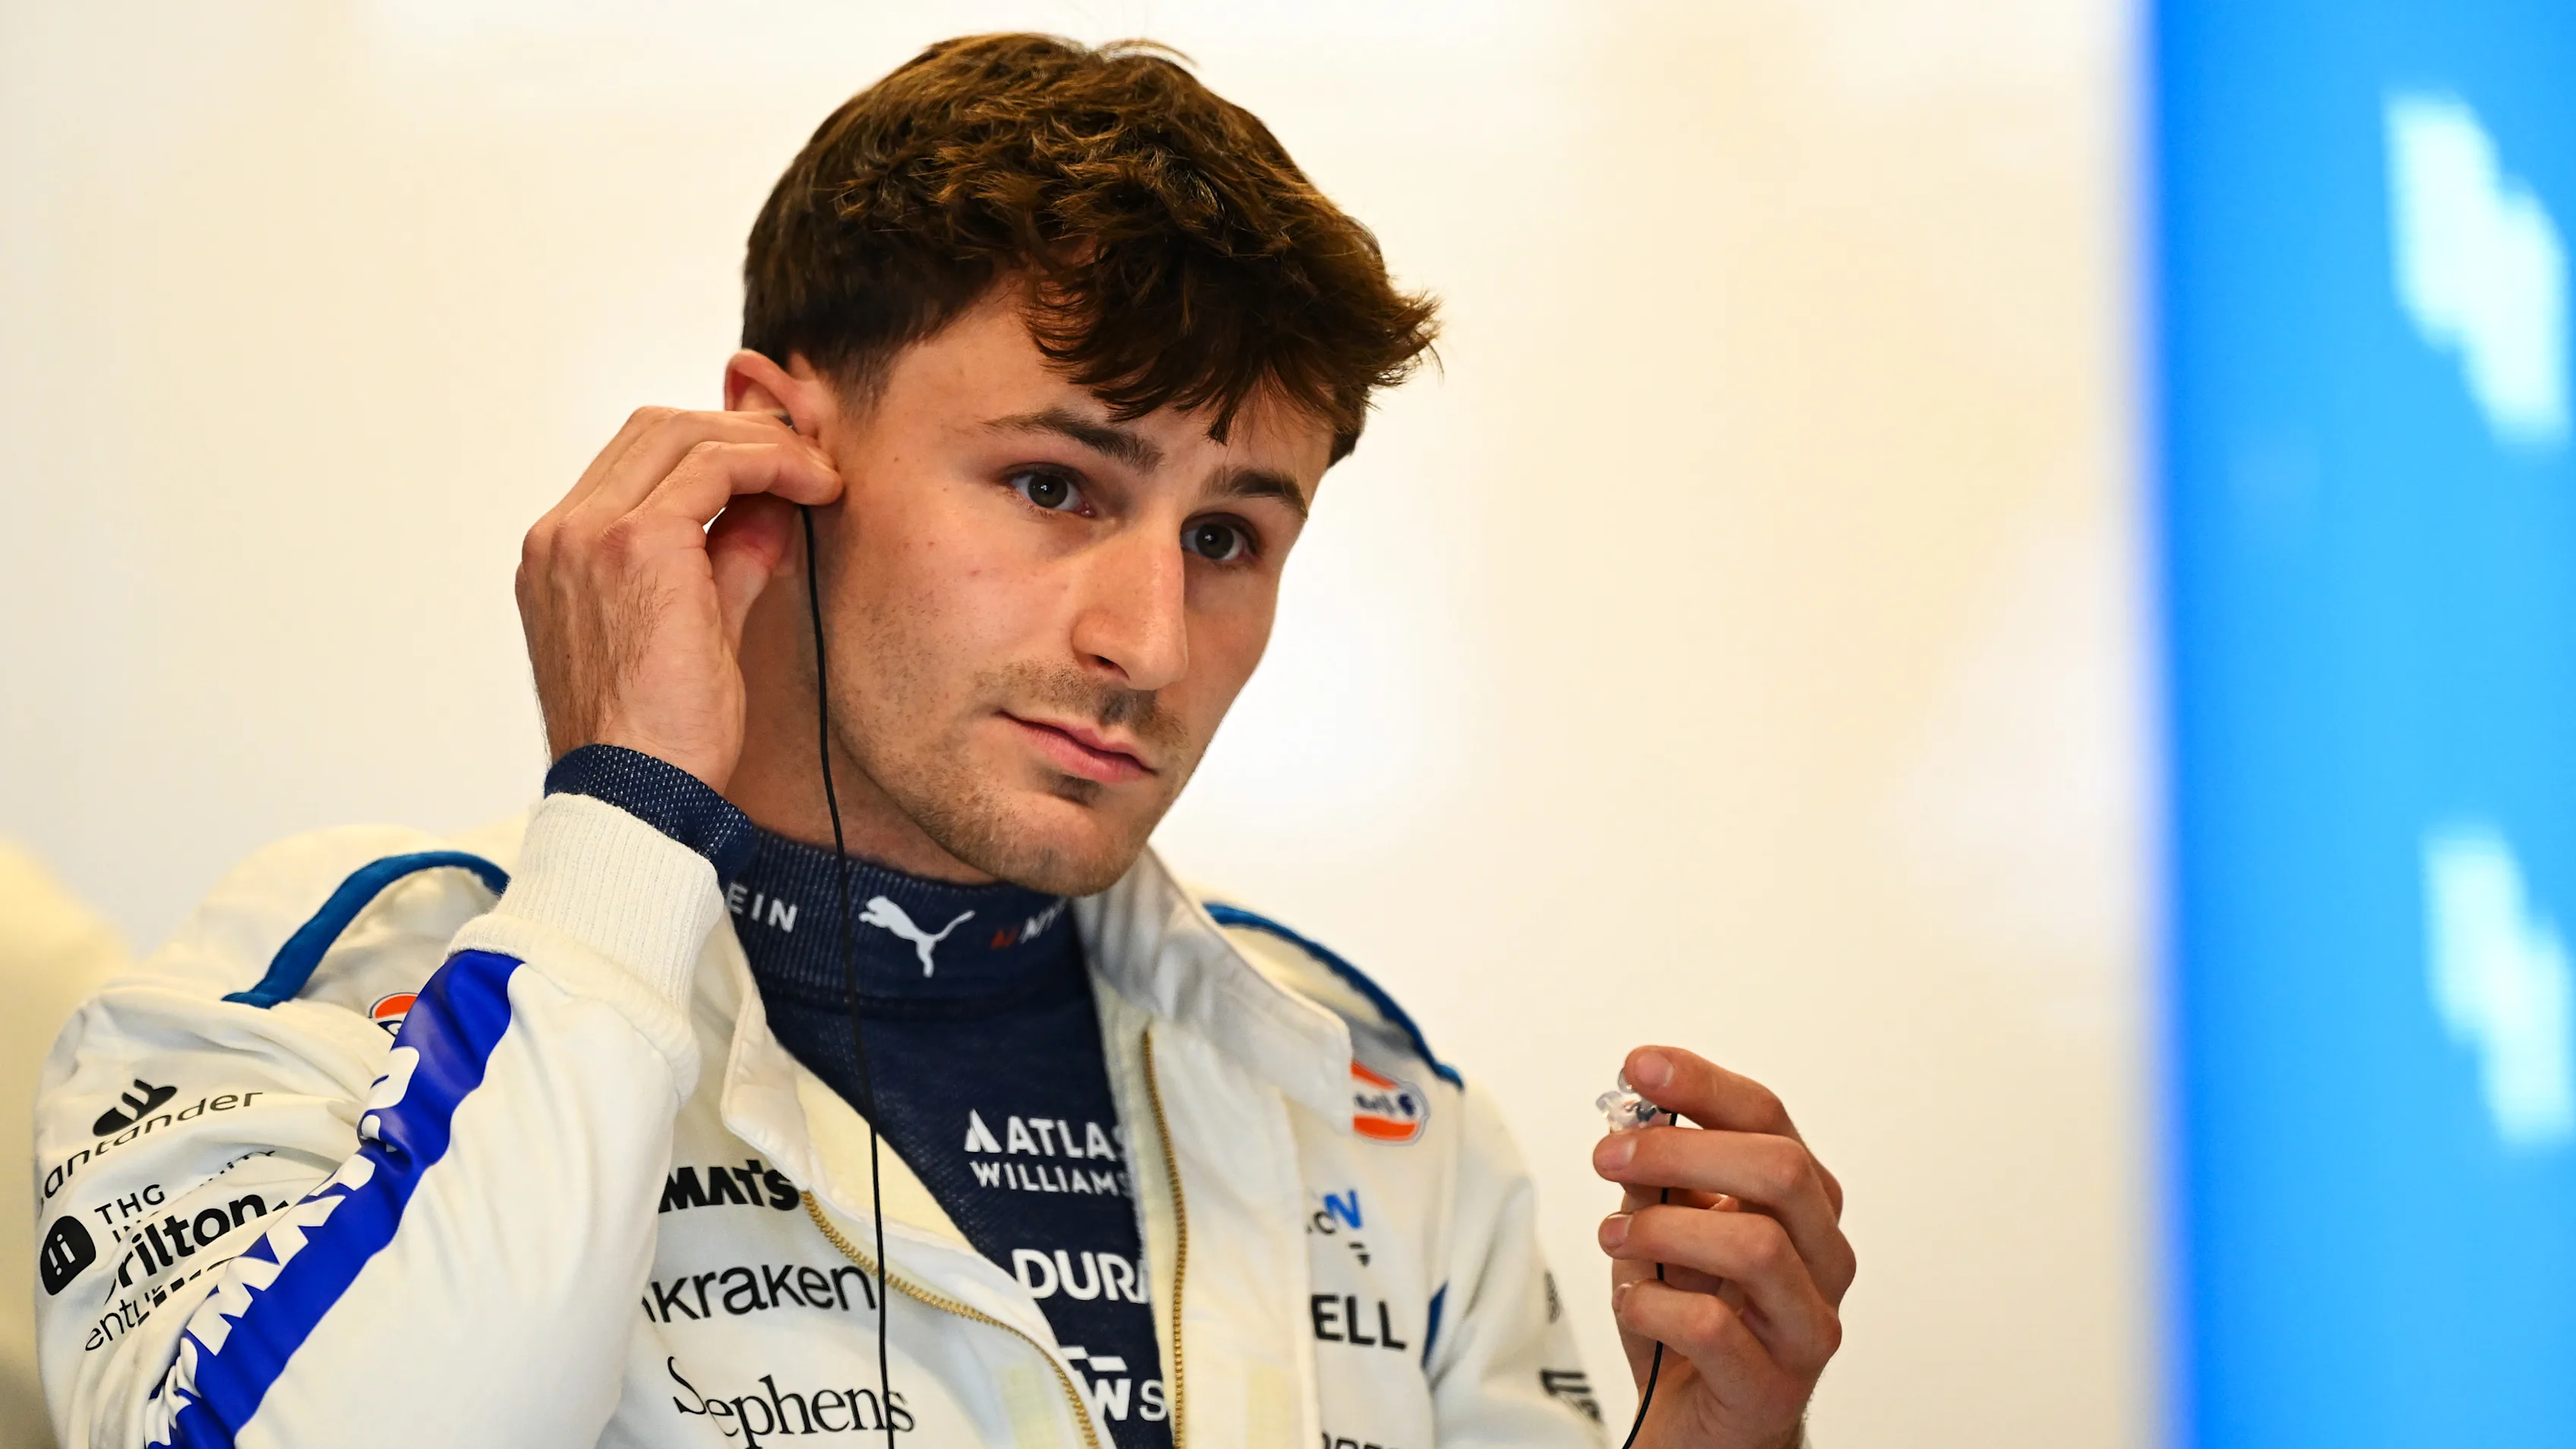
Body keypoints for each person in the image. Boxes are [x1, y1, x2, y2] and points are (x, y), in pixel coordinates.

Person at [32, 33, 1852, 1449]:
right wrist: (623, 812)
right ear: (772, 450)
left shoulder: (1368, 1106)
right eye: (1056, 483)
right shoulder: (311, 1005)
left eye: (1228, 535)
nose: (1147, 640)